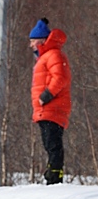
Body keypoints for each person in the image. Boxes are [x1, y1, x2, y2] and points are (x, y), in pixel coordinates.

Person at [29, 18, 72, 185]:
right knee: (50, 144)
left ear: (41, 40)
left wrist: (47, 95)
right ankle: (53, 173)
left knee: (53, 144)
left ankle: (55, 176)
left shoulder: (53, 54)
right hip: (45, 109)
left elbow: (61, 77)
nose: (31, 45)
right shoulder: (46, 57)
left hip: (52, 108)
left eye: (33, 41)